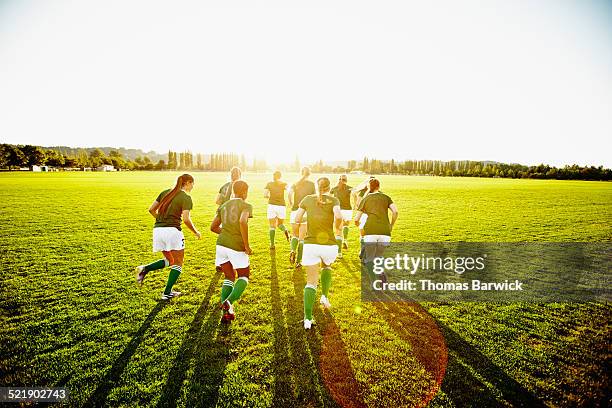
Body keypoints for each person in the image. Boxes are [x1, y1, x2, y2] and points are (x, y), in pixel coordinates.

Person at [136, 174, 201, 300]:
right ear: (187, 182)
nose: (193, 187)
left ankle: (144, 269)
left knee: (170, 260)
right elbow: (186, 219)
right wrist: (196, 232)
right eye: (192, 184)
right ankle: (167, 292)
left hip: (158, 230)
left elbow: (151, 210)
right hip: (173, 232)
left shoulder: (165, 192)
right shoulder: (186, 197)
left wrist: (162, 220)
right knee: (178, 263)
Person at [294, 177, 343, 329]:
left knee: (311, 282)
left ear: (316, 186)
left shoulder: (307, 199)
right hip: (328, 244)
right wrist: (336, 227)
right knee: (326, 266)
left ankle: (308, 319)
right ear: (329, 187)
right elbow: (339, 216)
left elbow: (297, 218)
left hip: (310, 245)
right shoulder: (334, 200)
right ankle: (324, 296)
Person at [211, 180, 253, 322]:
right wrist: (246, 245)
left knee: (229, 277)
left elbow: (213, 227)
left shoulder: (223, 205)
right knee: (244, 276)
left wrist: (226, 233)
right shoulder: (246, 205)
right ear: (245, 192)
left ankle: (227, 314)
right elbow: (242, 221)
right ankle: (229, 302)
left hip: (221, 245)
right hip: (236, 246)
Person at [354, 178, 398, 276]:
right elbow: (395, 212)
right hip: (385, 231)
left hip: (370, 231)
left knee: (369, 258)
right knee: (379, 256)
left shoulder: (366, 198)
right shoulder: (386, 197)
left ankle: (374, 283)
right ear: (379, 186)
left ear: (369, 187)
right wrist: (391, 225)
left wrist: (357, 224)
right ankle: (381, 275)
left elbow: (356, 219)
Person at [288, 167, 316, 267]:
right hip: (305, 212)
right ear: (309, 174)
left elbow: (289, 193)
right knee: (302, 238)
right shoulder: (312, 184)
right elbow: (314, 198)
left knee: (294, 235)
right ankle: (299, 261)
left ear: (301, 173)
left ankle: (292, 250)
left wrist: (291, 203)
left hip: (295, 211)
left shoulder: (295, 183)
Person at [264, 170, 290, 250]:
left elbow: (265, 195)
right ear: (280, 176)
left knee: (272, 226)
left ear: (273, 176)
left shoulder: (269, 184)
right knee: (280, 224)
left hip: (272, 205)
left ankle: (272, 245)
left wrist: (271, 198)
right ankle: (286, 230)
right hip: (281, 206)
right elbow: (289, 191)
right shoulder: (283, 184)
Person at [351, 176, 375, 261]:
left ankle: (363, 251)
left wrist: (355, 203)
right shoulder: (378, 192)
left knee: (363, 234)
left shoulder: (362, 192)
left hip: (363, 215)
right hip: (373, 216)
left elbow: (358, 204)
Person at [330, 175, 353, 258]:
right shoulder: (350, 188)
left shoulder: (334, 188)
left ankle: (339, 253)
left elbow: (328, 197)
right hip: (347, 210)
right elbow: (356, 195)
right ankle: (345, 240)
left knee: (338, 231)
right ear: (346, 181)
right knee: (346, 225)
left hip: (338, 210)